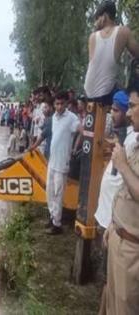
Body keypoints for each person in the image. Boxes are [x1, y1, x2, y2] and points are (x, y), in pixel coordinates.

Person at [94, 90, 136, 314]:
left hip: (125, 237)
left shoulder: (131, 141)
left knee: (115, 289)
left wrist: (120, 162)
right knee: (108, 284)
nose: (127, 113)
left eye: (130, 107)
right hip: (114, 224)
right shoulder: (128, 140)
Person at [104, 85, 139, 314]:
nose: (127, 112)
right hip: (119, 237)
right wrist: (112, 225)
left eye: (133, 106)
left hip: (132, 250)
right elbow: (125, 192)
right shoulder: (135, 142)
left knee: (125, 307)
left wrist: (123, 166)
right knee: (112, 301)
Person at [84, 0, 139, 104]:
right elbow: (137, 53)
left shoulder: (92, 37)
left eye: (97, 18)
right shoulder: (124, 31)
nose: (96, 22)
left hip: (88, 92)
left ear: (104, 16)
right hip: (107, 93)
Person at [45, 92, 81, 235]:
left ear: (66, 104)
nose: (59, 106)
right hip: (52, 161)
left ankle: (57, 225)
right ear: (54, 105)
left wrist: (75, 148)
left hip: (62, 164)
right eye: (57, 104)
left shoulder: (72, 118)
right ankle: (52, 217)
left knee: (58, 194)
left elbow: (82, 131)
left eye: (61, 104)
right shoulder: (53, 117)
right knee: (49, 192)